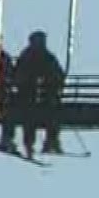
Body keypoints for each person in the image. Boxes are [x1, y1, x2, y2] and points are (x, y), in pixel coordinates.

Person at [11, 30, 66, 158]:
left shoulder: (48, 56)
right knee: (30, 118)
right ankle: (29, 146)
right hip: (28, 95)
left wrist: (51, 83)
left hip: (46, 95)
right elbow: (18, 75)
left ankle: (51, 142)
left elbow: (58, 74)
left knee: (52, 114)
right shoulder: (26, 56)